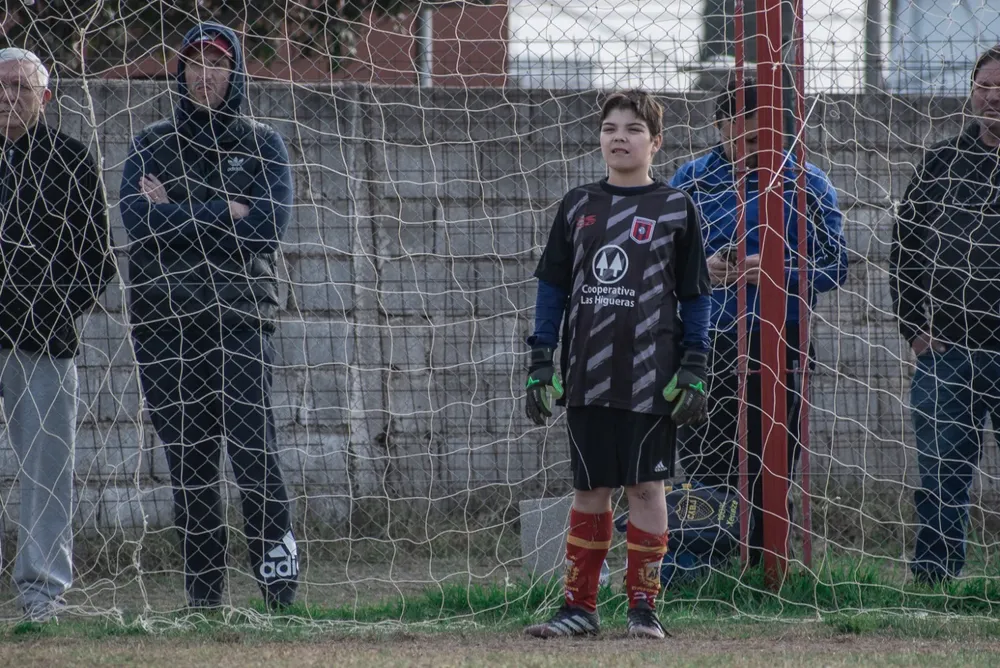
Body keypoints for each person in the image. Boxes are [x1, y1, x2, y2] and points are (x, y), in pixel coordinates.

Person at [119, 22, 297, 610]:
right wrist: (225, 213)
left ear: (234, 71)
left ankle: (279, 592)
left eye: (216, 63)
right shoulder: (150, 143)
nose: (205, 74)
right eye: (194, 64)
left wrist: (179, 212)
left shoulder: (263, 143)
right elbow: (139, 224)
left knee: (255, 459)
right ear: (180, 73)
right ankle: (203, 600)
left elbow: (266, 229)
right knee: (190, 469)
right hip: (166, 326)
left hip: (240, 324)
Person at [523, 90, 712, 639]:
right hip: (587, 373)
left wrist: (695, 363)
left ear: (655, 143)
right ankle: (579, 608)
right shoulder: (578, 204)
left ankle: (643, 610)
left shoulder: (676, 207)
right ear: (600, 138)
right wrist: (540, 358)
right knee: (590, 490)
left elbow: (696, 296)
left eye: (633, 129)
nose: (620, 137)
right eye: (610, 128)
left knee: (647, 491)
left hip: (651, 374)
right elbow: (553, 286)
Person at [670, 74, 847, 567]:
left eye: (768, 128)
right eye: (745, 127)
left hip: (781, 339)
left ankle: (768, 566)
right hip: (707, 340)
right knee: (706, 460)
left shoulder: (807, 182)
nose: (757, 138)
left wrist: (776, 273)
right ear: (721, 124)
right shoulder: (690, 182)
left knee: (773, 462)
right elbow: (658, 260)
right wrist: (700, 270)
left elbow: (836, 266)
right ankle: (703, 568)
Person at [0, 48, 116, 621]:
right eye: (0, 86)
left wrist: (46, 309)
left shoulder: (71, 160)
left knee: (46, 472)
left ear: (44, 97)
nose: (8, 96)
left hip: (43, 343)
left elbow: (98, 263)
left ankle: (41, 595)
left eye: (21, 86)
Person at [891, 45, 1000, 584]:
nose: (994, 95)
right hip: (947, 354)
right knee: (940, 477)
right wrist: (916, 331)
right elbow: (905, 249)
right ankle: (935, 582)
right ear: (972, 91)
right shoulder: (941, 162)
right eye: (985, 84)